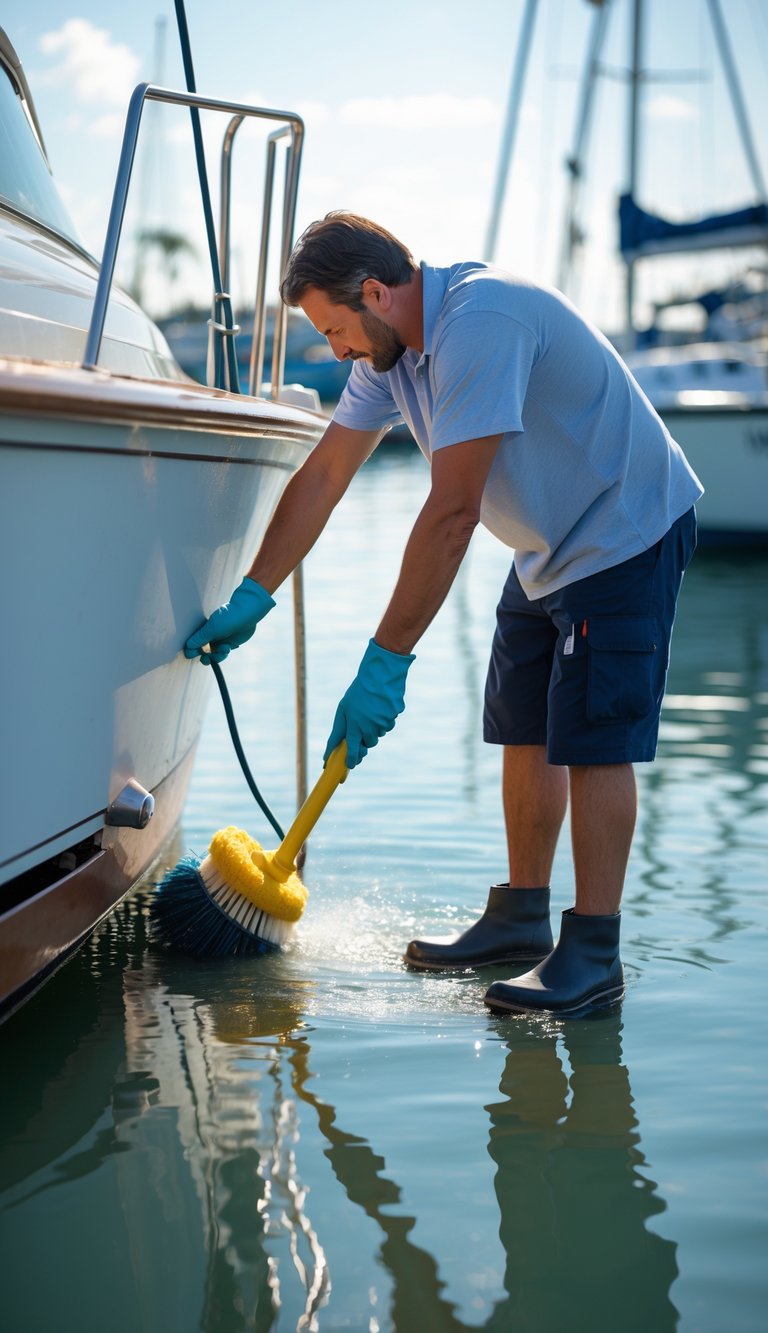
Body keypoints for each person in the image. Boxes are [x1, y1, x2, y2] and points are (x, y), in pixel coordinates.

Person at [184, 211, 702, 1017]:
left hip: (623, 526)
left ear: (377, 292)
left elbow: (453, 512)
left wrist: (385, 660)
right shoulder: (391, 356)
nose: (335, 351)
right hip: (545, 544)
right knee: (523, 722)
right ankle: (524, 916)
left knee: (596, 735)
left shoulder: (479, 322)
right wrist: (256, 592)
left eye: (334, 330)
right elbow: (324, 476)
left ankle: (594, 950)